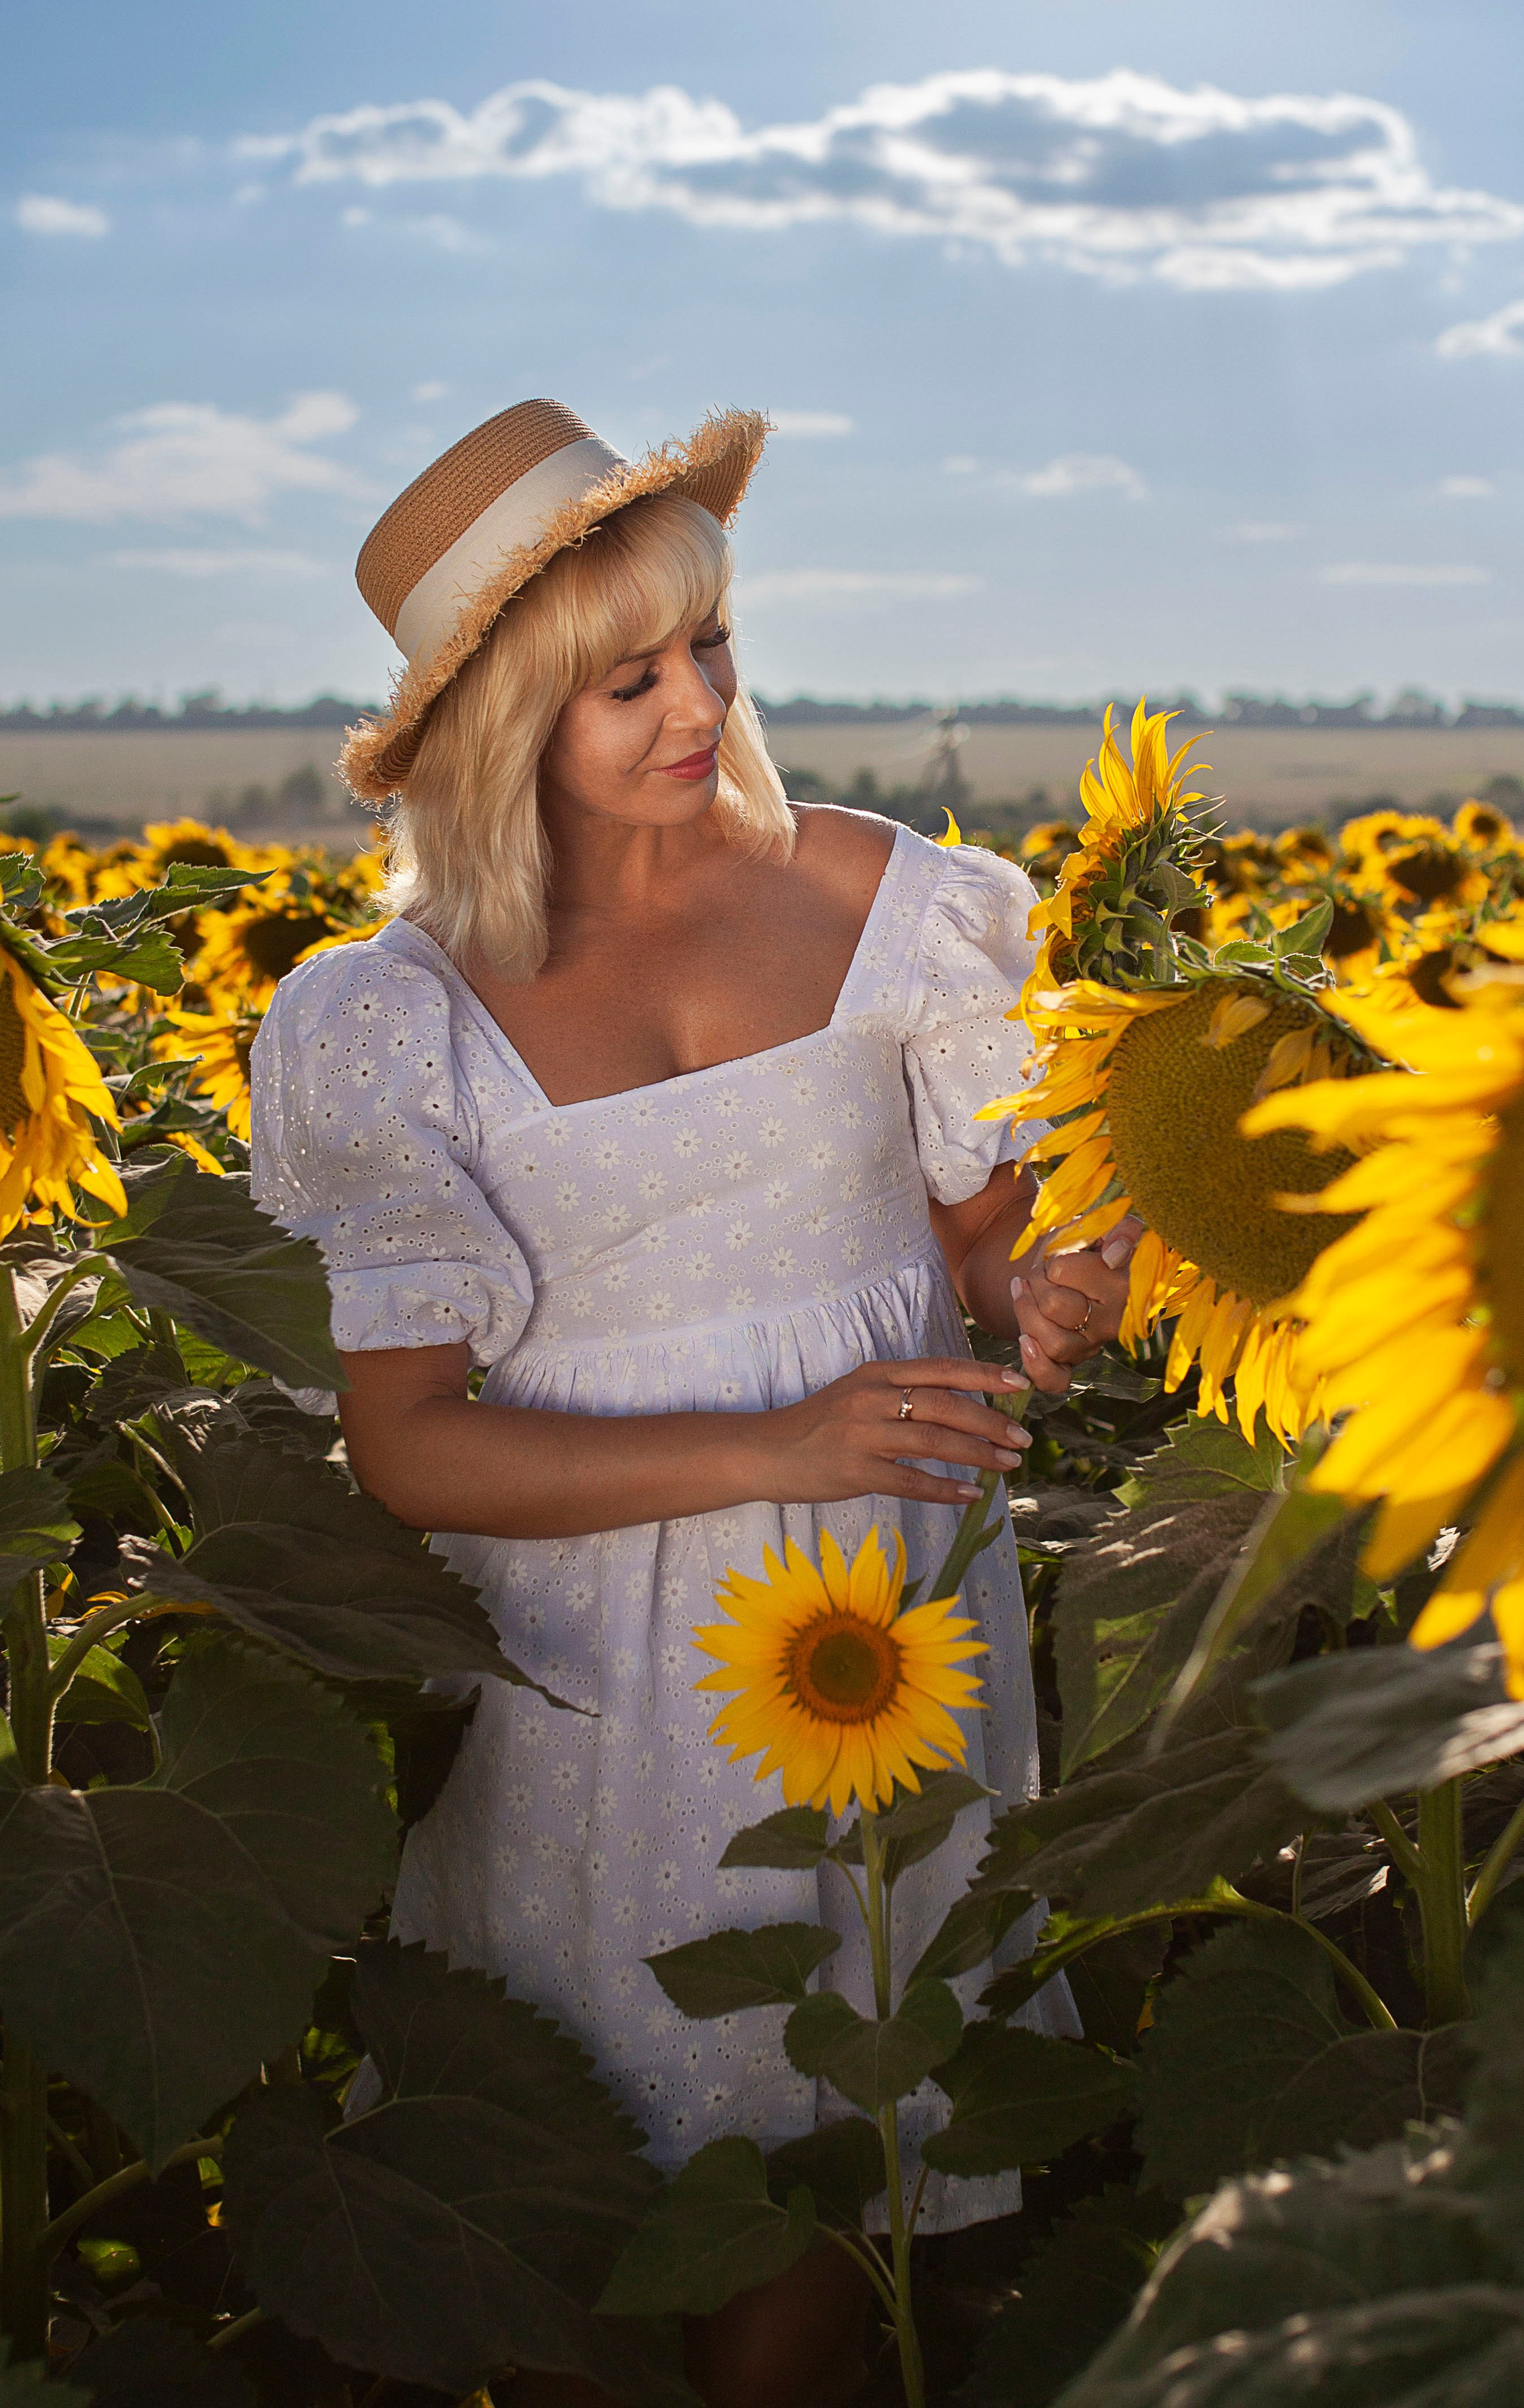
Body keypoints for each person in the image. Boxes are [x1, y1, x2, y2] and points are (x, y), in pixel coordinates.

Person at [250, 399, 1138, 2408]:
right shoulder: (401, 1022)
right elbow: (406, 1444)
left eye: (709, 646)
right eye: (623, 679)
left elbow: (986, 1238)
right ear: (501, 724)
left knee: (848, 2105)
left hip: (891, 1606)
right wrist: (775, 1445)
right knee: (599, 2116)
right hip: (588, 1651)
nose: (692, 705)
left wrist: (1053, 1291)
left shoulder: (894, 904)